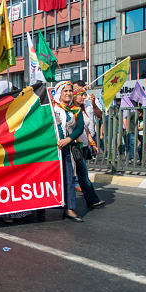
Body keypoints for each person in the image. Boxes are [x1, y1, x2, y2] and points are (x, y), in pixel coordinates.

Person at [52, 81, 84, 222]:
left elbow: (80, 128)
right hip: (52, 149)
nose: (68, 93)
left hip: (67, 148)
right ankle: (42, 207)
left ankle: (69, 208)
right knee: (49, 177)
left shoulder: (76, 110)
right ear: (59, 92)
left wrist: (68, 139)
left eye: (70, 91)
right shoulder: (51, 108)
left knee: (68, 178)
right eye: (65, 90)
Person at [72, 83, 105, 209]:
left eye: (84, 95)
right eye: (80, 95)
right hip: (77, 146)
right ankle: (91, 200)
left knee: (81, 175)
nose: (83, 97)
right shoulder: (71, 111)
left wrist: (92, 143)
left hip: (85, 146)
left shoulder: (82, 110)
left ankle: (89, 199)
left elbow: (85, 129)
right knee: (83, 175)